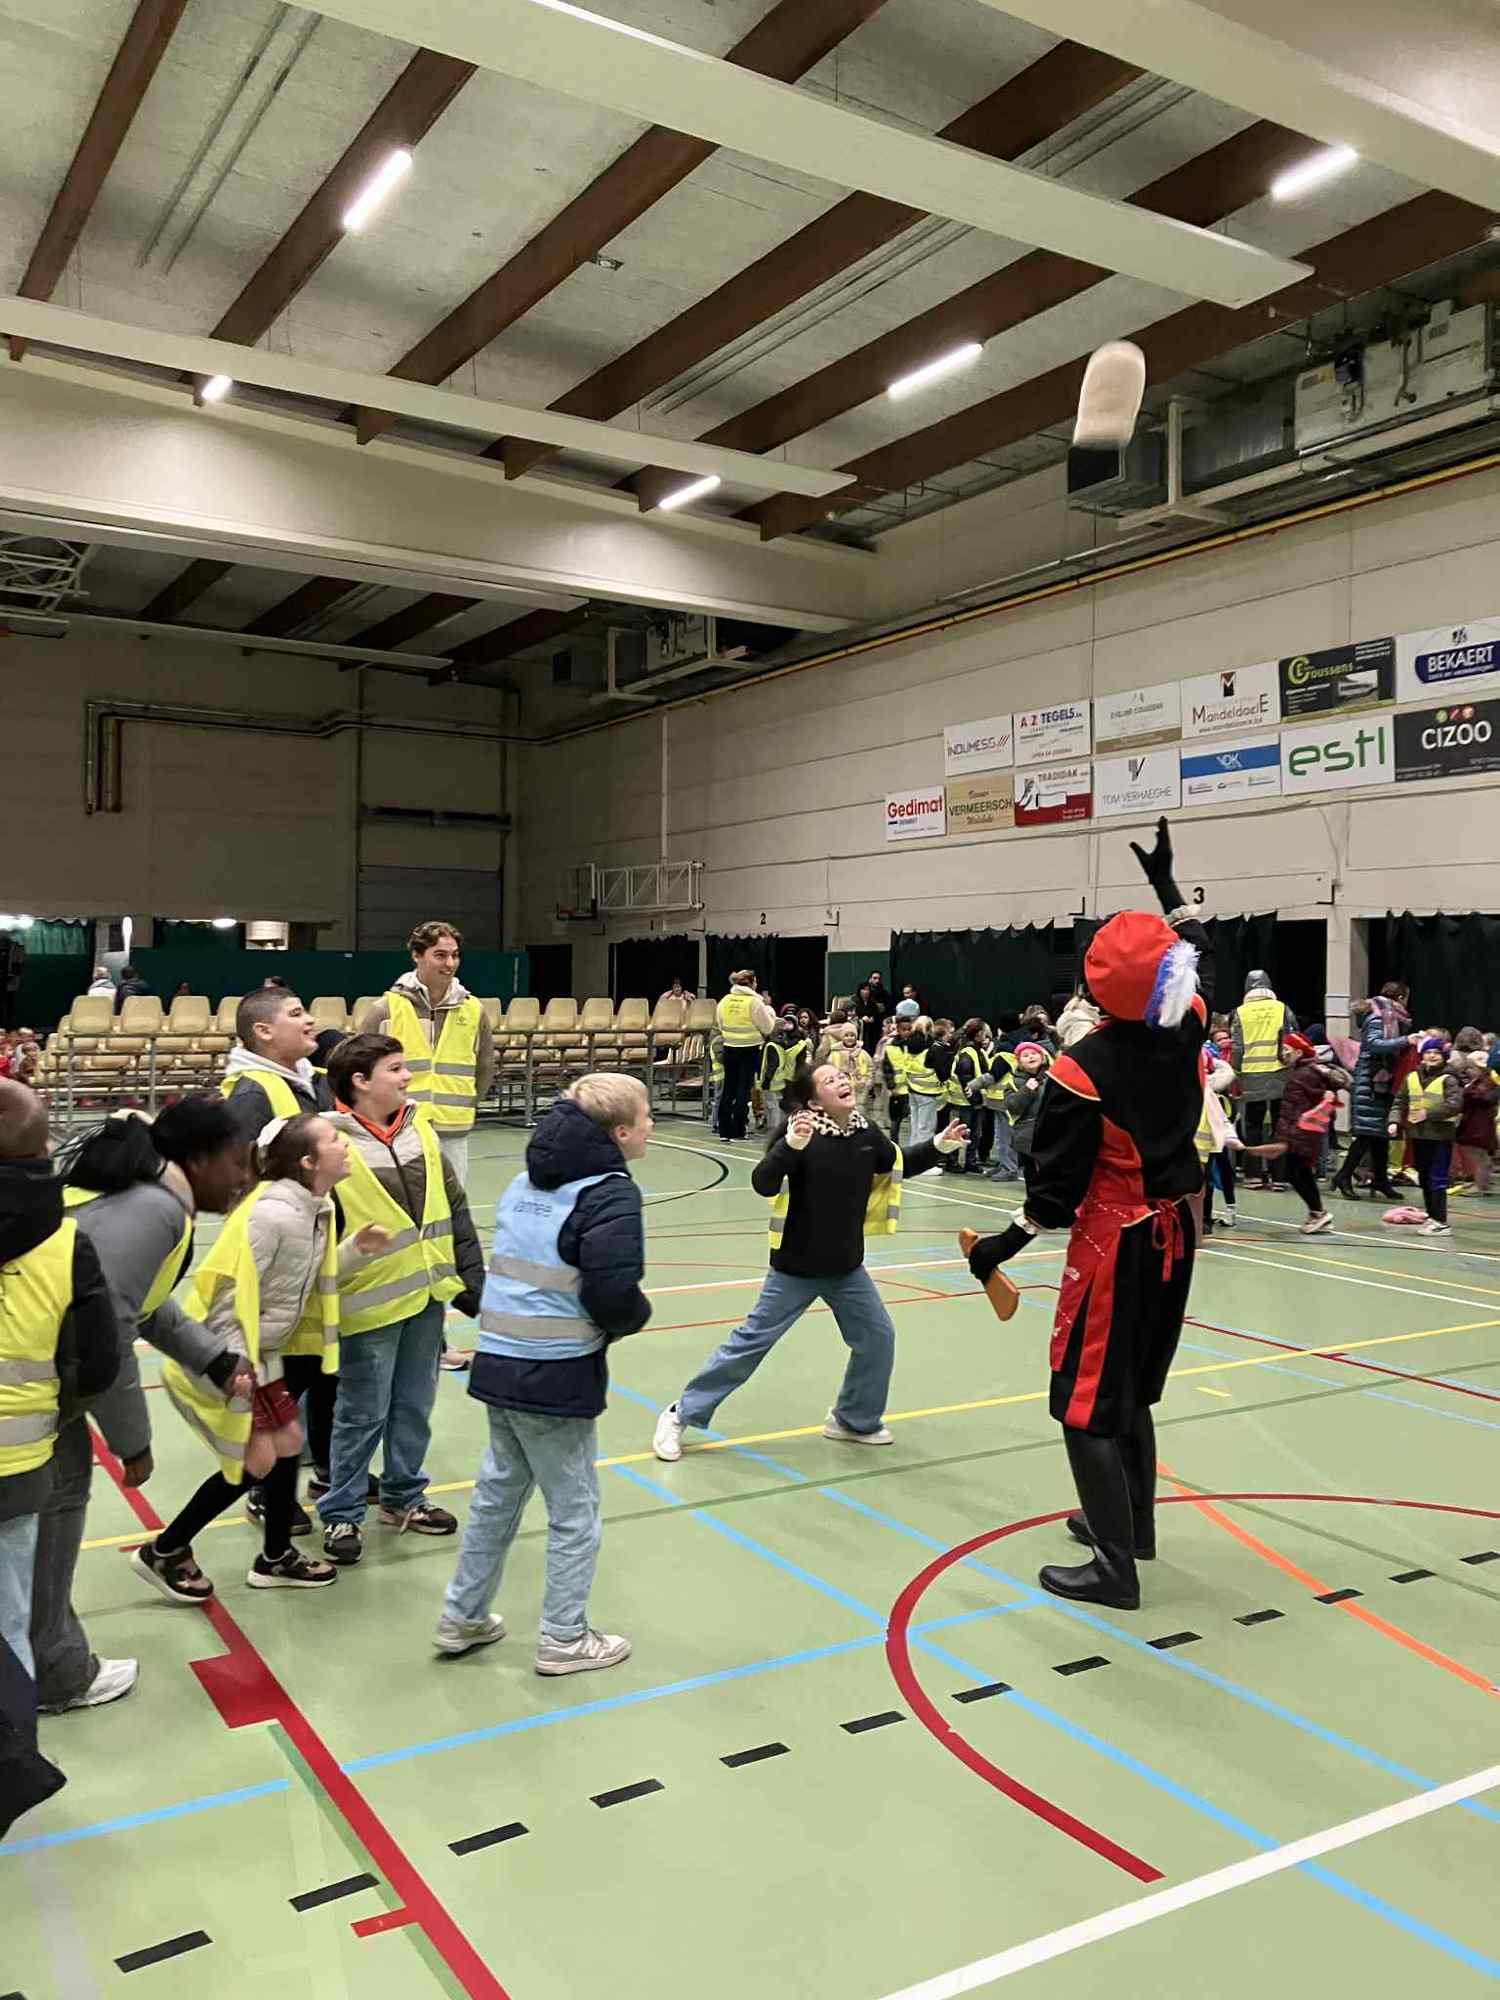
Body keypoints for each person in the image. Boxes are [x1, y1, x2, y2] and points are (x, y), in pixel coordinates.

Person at [965, 819, 1211, 1612]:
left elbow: (1053, 1195)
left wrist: (997, 1248)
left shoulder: (1082, 1069)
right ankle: (1133, 1528)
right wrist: (1167, 885)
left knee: (1082, 1405)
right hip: (1176, 1238)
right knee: (1129, 1392)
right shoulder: (1188, 1022)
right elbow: (1196, 951)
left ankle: (1114, 1568)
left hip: (1118, 1246)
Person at [38, 1099, 252, 1712]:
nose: (243, 1177)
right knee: (53, 1513)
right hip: (35, 1383)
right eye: (236, 1162)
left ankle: (49, 1663)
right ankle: (56, 1675)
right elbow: (107, 1325)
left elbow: (144, 1304)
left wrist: (212, 1358)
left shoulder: (147, 1197)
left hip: (42, 1376)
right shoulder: (154, 1209)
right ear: (200, 1159)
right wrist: (133, 1442)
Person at [437, 1075, 652, 1674]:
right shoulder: (609, 1195)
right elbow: (611, 1292)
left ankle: (462, 1616)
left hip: (499, 1360)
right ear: (620, 1132)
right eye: (646, 1116)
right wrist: (633, 1318)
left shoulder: (523, 1183)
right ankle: (563, 1638)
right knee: (574, 1511)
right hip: (554, 1372)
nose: (652, 1126)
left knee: (497, 1496)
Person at [133, 1115, 392, 1599]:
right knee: (256, 1460)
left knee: (288, 1441)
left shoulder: (315, 1208)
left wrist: (356, 1250)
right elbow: (226, 1297)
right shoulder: (270, 1216)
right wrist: (230, 1364)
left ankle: (275, 1558)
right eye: (334, 1140)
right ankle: (164, 1550)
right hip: (224, 1358)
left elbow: (307, 1279)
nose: (345, 1145)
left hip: (262, 1356)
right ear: (308, 1162)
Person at [653, 1064, 967, 1461]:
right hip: (795, 1269)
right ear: (815, 1102)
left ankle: (853, 1420)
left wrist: (940, 1145)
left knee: (877, 1339)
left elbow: (896, 1162)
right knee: (750, 1344)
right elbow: (763, 1183)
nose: (842, 1080)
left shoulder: (866, 1133)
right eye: (829, 1080)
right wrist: (791, 1146)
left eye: (842, 1076)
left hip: (846, 1268)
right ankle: (680, 1414)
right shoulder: (800, 1136)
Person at [317, 1034, 485, 1564]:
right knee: (361, 1413)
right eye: (395, 1068)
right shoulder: (329, 1143)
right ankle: (342, 1512)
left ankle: (403, 1496)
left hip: (426, 1297)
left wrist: (472, 1280)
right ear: (360, 1082)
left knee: (414, 1406)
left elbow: (454, 1206)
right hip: (368, 1305)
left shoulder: (421, 1129)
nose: (407, 1076)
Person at [0, 1083, 119, 1706]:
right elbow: (98, 1365)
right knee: (9, 1620)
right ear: (44, 1148)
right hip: (20, 1462)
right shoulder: (67, 1243)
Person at [358, 923, 495, 1188]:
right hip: (399, 1129)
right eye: (440, 955)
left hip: (453, 1130)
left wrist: (463, 1104)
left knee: (450, 1203)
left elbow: (484, 1068)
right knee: (404, 1202)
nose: (450, 963)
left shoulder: (474, 1010)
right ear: (417, 955)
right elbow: (358, 1068)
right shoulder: (386, 1009)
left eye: (455, 955)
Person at [1332, 1000, 1416, 1202]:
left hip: (1378, 1081)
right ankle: (1343, 1176)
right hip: (1371, 1083)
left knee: (1380, 1135)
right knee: (1366, 1134)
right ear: (1400, 997)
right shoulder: (1379, 1019)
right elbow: (1374, 1044)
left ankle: (1380, 1180)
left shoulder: (1386, 1018)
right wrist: (1406, 1040)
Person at [1274, 1035, 1351, 1236]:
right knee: (1300, 1172)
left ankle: (1319, 1213)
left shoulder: (1306, 1073)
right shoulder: (1304, 1071)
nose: (1283, 1053)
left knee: (1296, 1173)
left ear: (1299, 1052)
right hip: (1300, 1132)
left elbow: (1304, 1105)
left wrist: (1287, 1134)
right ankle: (1317, 1212)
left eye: (1287, 1049)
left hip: (1302, 1132)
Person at [1388, 1038, 1462, 1236]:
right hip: (1418, 1135)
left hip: (1440, 1136)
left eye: (1436, 1053)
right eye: (1428, 1052)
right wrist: (1394, 1121)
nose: (1432, 1056)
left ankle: (1441, 1222)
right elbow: (1400, 1102)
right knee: (1424, 1176)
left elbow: (1455, 1104)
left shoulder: (1449, 1079)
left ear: (1444, 1056)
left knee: (1437, 1178)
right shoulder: (1412, 1077)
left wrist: (1428, 1114)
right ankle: (1432, 1216)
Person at [1232, 970, 1296, 1187]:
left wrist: (1235, 1072)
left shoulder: (1240, 1013)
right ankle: (1280, 1177)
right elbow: (1294, 1038)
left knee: (1253, 1126)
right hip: (1281, 1074)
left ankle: (1253, 1175)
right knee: (1280, 1125)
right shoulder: (1282, 1009)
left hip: (1251, 1074)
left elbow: (1237, 1048)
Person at [715, 971, 776, 1142]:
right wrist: (770, 1013)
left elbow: (719, 1023)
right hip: (749, 1049)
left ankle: (724, 1130)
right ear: (751, 983)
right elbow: (768, 1027)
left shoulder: (725, 1000)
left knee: (728, 1088)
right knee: (743, 1089)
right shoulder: (754, 1002)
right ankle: (738, 1130)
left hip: (729, 1047)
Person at [997, 1042, 1052, 1195]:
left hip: (1052, 1133)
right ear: (1019, 1062)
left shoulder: (1053, 1078)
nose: (1030, 1057)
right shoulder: (1013, 1082)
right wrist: (1027, 1090)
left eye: (1034, 1053)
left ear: (1042, 1056)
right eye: (1025, 1055)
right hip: (1028, 1137)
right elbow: (1013, 1107)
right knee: (1033, 1176)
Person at [1454, 1050, 1498, 1196]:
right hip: (1479, 1122)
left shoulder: (1483, 1084)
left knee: (1478, 1156)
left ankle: (1479, 1186)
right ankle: (1483, 1185)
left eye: (1470, 1068)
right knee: (1482, 1157)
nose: (1467, 1071)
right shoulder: (1483, 1082)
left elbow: (1482, 1098)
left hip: (1477, 1124)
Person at [903, 1018, 945, 1148]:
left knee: (915, 1126)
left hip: (912, 1089)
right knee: (926, 1129)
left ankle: (911, 1153)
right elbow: (941, 1071)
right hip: (928, 1093)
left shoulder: (908, 1044)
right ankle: (922, 1157)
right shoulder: (932, 1047)